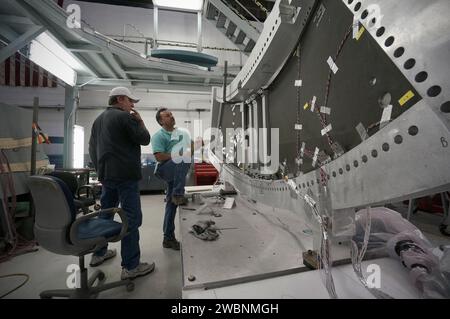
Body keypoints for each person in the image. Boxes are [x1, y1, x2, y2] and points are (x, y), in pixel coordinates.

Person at [88, 86, 154, 280]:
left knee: (106, 214)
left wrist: (100, 171)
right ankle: (131, 266)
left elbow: (92, 148)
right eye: (130, 101)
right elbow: (144, 138)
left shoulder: (98, 120)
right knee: (132, 219)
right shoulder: (125, 117)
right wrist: (140, 122)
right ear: (119, 99)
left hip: (107, 176)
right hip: (126, 176)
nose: (132, 105)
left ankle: (99, 253)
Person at [151, 108, 192, 250]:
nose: (171, 116)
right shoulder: (158, 136)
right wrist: (177, 154)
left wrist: (197, 145)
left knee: (171, 204)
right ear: (161, 121)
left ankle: (168, 238)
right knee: (182, 157)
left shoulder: (181, 133)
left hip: (178, 171)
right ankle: (178, 193)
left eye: (171, 114)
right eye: (167, 116)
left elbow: (189, 150)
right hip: (165, 169)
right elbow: (159, 157)